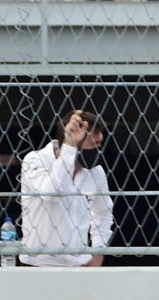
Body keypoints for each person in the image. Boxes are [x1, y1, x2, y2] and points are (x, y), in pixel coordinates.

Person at [18, 109, 114, 267]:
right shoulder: (35, 160)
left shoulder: (96, 172)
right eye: (93, 144)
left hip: (78, 265)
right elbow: (50, 193)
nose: (98, 150)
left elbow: (103, 213)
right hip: (37, 264)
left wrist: (98, 251)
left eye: (100, 144)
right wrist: (69, 146)